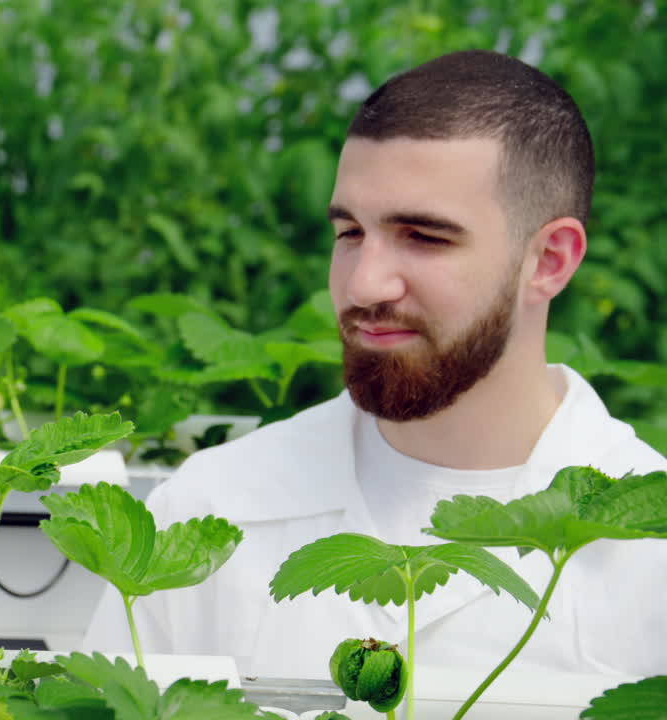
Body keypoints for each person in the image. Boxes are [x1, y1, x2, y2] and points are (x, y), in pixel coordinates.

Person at [84, 49, 667, 682]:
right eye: (350, 232)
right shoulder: (208, 511)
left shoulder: (650, 550)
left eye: (424, 236)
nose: (364, 284)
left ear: (550, 260)